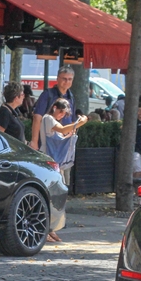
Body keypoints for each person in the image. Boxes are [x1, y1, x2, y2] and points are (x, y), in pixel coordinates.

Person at [39, 98, 88, 242]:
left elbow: (62, 134)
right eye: (61, 111)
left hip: (54, 163)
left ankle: (50, 228)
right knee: (50, 197)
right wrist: (79, 123)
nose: (61, 115)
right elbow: (61, 130)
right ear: (54, 107)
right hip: (48, 161)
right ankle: (46, 228)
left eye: (64, 113)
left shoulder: (52, 121)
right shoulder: (48, 119)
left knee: (54, 198)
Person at [30, 66, 76, 150]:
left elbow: (72, 120)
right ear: (57, 79)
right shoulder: (48, 94)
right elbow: (37, 118)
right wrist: (34, 141)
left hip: (64, 143)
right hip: (48, 143)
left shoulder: (71, 97)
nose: (67, 81)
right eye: (64, 79)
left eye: (70, 79)